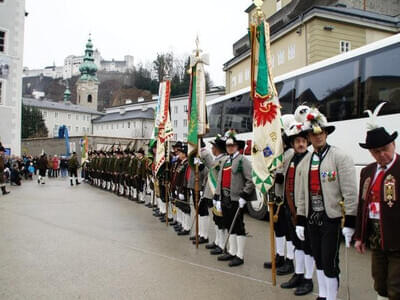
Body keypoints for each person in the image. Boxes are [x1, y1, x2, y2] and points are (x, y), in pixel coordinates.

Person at [295, 107, 358, 300]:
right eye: (313, 134)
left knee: (330, 261)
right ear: (308, 137)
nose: (318, 137)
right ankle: (322, 295)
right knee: (318, 259)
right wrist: (299, 219)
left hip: (331, 218)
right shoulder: (305, 161)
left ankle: (332, 297)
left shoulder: (340, 157)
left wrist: (350, 222)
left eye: (321, 132)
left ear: (326, 133)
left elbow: (350, 192)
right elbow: (302, 194)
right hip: (312, 218)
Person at [354, 103, 400, 300]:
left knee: (395, 287)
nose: (382, 155)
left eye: (385, 149)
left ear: (393, 145)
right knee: (379, 283)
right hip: (376, 238)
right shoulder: (367, 171)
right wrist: (359, 236)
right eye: (376, 151)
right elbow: (362, 206)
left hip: (397, 239)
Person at [277, 112, 314, 296]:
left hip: (305, 212)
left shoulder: (311, 160)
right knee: (295, 244)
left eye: (303, 141)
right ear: (292, 143)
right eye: (297, 141)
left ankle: (308, 279)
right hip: (289, 209)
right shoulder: (291, 158)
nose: (301, 144)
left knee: (307, 248)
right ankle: (298, 274)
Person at [214, 130, 256, 267]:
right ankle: (232, 251)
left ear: (237, 146)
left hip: (237, 198)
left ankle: (240, 255)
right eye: (228, 146)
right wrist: (217, 196)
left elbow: (251, 179)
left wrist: (244, 194)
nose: (230, 148)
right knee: (228, 224)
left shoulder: (242, 160)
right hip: (225, 198)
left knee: (238, 226)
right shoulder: (226, 160)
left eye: (232, 145)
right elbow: (220, 179)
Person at [200, 135, 228, 255]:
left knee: (221, 220)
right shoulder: (217, 159)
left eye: (213, 147)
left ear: (218, 148)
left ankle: (222, 244)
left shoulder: (223, 160)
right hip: (211, 193)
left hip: (218, 195)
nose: (212, 149)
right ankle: (217, 241)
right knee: (216, 219)